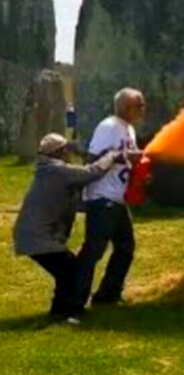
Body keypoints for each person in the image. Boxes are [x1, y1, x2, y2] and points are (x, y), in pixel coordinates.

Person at [12, 133, 124, 324]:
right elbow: (92, 172)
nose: (70, 153)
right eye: (66, 150)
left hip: (32, 234)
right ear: (60, 152)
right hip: (38, 237)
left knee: (67, 270)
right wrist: (112, 155)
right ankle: (61, 313)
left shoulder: (49, 171)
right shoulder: (57, 171)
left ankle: (61, 311)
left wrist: (101, 205)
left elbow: (75, 204)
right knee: (70, 270)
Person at [74, 88, 146, 312]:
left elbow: (124, 160)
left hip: (117, 198)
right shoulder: (109, 127)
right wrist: (123, 157)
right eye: (140, 105)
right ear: (126, 107)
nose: (143, 109)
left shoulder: (129, 129)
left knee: (125, 248)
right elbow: (92, 159)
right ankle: (72, 301)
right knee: (93, 251)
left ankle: (107, 295)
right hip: (102, 196)